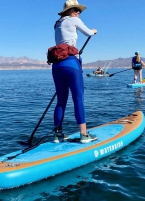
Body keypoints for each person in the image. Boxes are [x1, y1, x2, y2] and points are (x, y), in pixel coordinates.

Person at [52, 0, 97, 143]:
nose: (78, 12)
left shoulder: (57, 23)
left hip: (57, 65)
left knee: (61, 100)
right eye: (75, 9)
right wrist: (94, 31)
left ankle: (58, 134)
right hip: (71, 63)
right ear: (68, 11)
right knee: (78, 98)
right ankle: (84, 135)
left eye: (79, 10)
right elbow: (89, 32)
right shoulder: (73, 20)